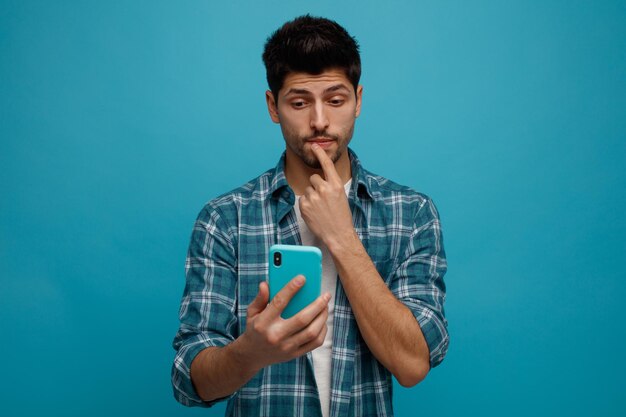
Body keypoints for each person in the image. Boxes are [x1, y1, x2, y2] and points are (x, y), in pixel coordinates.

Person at [172, 15, 448, 417]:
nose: (319, 120)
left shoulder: (412, 213)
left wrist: (342, 237)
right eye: (299, 102)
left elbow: (412, 364)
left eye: (336, 100)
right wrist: (249, 353)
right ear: (273, 106)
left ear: (358, 100)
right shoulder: (224, 219)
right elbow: (189, 381)